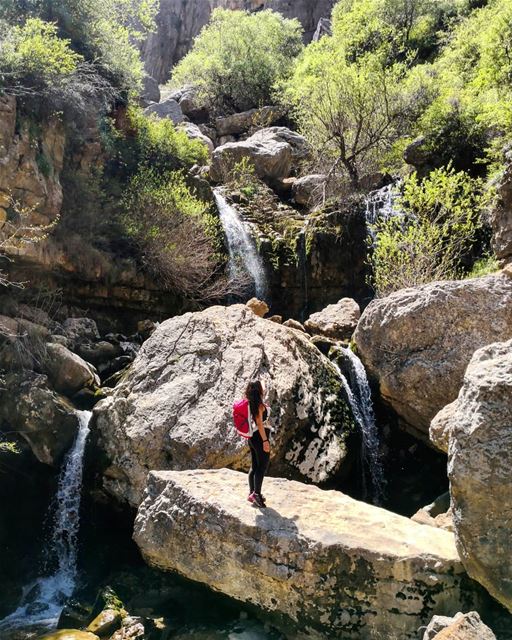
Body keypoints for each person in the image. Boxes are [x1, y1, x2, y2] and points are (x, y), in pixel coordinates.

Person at [245, 379, 270, 508]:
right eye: (262, 386)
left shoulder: (250, 403)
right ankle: (257, 495)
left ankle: (252, 493)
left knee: (254, 465)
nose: (264, 386)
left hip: (252, 437)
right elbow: (260, 424)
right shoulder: (259, 405)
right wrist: (265, 441)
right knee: (262, 466)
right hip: (260, 437)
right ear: (258, 389)